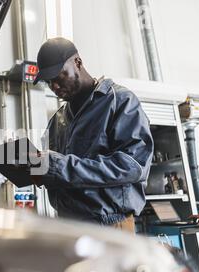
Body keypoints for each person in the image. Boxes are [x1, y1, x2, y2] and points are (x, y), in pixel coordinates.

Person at [31, 38, 154, 232]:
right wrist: (36, 169)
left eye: (58, 76)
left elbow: (132, 166)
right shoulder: (57, 120)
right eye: (48, 82)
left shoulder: (119, 101)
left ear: (77, 63)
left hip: (109, 225)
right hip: (68, 225)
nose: (53, 87)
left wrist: (57, 166)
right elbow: (59, 172)